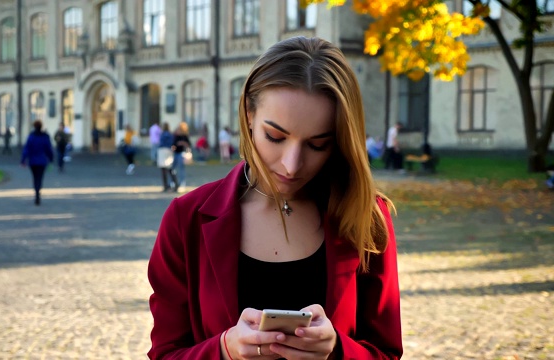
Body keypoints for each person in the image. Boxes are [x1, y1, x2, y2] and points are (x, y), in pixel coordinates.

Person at [148, 36, 402, 359]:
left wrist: (338, 351)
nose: (291, 165)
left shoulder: (366, 217)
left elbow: (387, 353)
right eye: (275, 136)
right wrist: (223, 349)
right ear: (249, 115)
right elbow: (165, 353)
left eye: (317, 144)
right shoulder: (186, 218)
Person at [20, 120, 54, 205]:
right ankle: (38, 191)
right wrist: (51, 158)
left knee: (35, 177)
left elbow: (26, 149)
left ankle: (36, 191)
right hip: (42, 161)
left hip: (33, 161)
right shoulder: (45, 137)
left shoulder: (31, 137)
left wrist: (23, 160)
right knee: (40, 177)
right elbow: (48, 149)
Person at [171, 121, 191, 192]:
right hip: (176, 153)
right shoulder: (176, 135)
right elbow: (173, 144)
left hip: (182, 153)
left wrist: (183, 143)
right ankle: (173, 182)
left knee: (181, 169)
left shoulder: (184, 136)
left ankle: (182, 184)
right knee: (173, 168)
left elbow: (189, 144)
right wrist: (174, 147)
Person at [158, 122, 178, 192]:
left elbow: (161, 143)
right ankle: (175, 184)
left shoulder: (163, 134)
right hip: (169, 150)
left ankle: (166, 185)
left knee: (164, 169)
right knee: (170, 169)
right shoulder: (170, 134)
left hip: (163, 151)